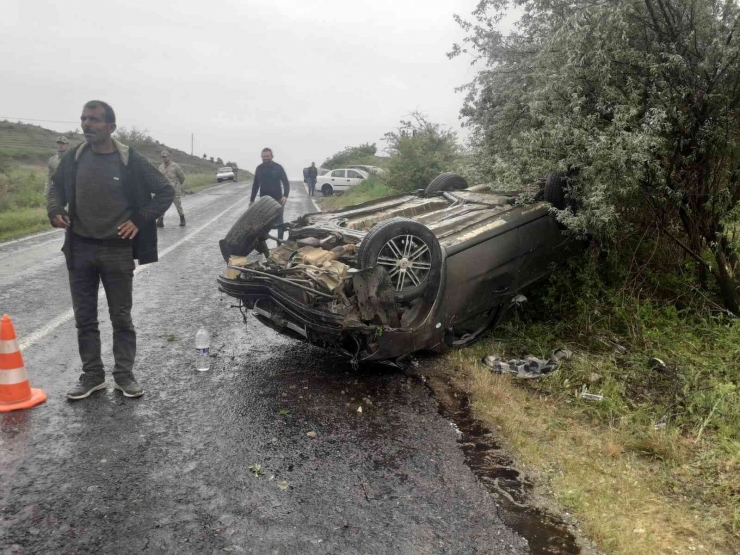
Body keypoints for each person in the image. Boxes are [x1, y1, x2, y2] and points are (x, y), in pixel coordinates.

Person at [47, 100, 174, 400]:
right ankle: (92, 376)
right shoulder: (75, 157)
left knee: (121, 317)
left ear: (111, 127)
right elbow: (55, 187)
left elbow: (165, 190)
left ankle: (124, 375)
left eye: (94, 120)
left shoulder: (129, 159)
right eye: (83, 118)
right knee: (85, 318)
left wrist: (140, 220)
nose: (86, 124)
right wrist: (53, 209)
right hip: (79, 248)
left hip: (117, 251)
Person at [250, 148, 290, 240]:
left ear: (272, 156)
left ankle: (279, 243)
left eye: (267, 156)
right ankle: (260, 244)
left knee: (279, 223)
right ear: (261, 157)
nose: (265, 158)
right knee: (262, 224)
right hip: (263, 201)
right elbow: (255, 185)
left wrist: (285, 195)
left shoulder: (278, 167)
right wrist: (252, 200)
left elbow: (286, 182)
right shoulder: (259, 168)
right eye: (263, 156)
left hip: (277, 200)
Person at [157, 150, 186, 227]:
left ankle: (182, 219)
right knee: (163, 204)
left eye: (166, 157)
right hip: (165, 190)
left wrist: (178, 185)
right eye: (163, 157)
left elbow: (182, 177)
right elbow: (159, 177)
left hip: (174, 190)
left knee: (178, 204)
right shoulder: (160, 167)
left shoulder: (175, 166)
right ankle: (160, 220)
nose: (164, 158)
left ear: (169, 156)